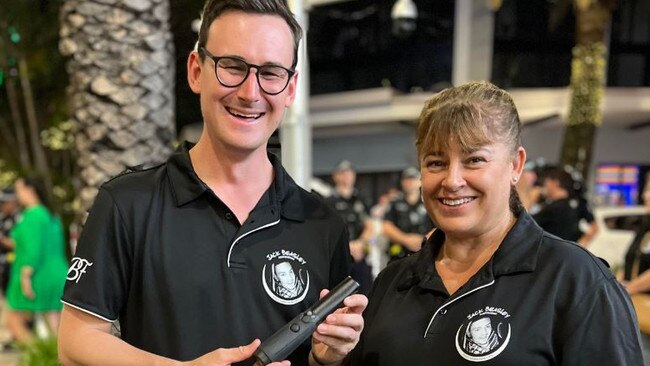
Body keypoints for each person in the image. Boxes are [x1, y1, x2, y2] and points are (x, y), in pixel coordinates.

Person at [58, 1, 366, 365]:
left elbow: (322, 357)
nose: (250, 93)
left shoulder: (323, 224)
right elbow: (75, 342)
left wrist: (326, 357)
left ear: (290, 88)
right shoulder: (127, 204)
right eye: (232, 67)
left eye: (270, 73)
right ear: (196, 71)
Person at [345, 81, 642, 365]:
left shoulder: (577, 281)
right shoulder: (392, 282)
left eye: (474, 160)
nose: (452, 181)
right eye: (436, 163)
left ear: (515, 165)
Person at [0, 176, 68, 344]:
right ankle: (53, 358)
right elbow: (26, 245)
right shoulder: (49, 214)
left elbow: (33, 250)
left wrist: (25, 276)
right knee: (54, 326)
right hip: (56, 273)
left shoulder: (32, 216)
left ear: (29, 190)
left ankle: (40, 356)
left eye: (19, 189)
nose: (17, 194)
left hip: (37, 276)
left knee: (13, 321)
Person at [324, 160, 373, 294]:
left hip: (359, 255)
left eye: (350, 173)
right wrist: (347, 246)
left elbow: (370, 225)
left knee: (366, 295)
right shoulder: (329, 201)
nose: (347, 176)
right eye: (343, 173)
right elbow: (326, 229)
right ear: (335, 176)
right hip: (339, 257)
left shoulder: (361, 199)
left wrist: (360, 243)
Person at [532, 168, 598, 246]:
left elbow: (525, 226)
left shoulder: (551, 209)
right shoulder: (577, 203)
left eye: (547, 182)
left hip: (551, 254)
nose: (545, 186)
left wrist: (532, 196)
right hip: (567, 254)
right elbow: (595, 227)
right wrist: (579, 246)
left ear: (555, 183)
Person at [382, 167, 434, 262]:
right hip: (399, 256)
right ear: (402, 182)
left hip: (425, 254)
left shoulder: (430, 203)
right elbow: (386, 227)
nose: (410, 182)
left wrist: (423, 240)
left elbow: (439, 226)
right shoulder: (395, 203)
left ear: (420, 181)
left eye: (413, 179)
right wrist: (406, 240)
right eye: (407, 179)